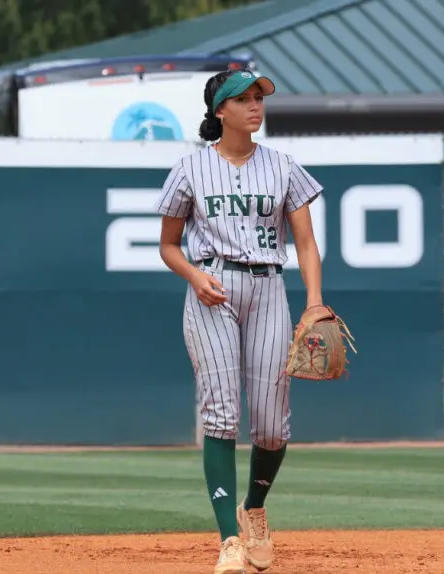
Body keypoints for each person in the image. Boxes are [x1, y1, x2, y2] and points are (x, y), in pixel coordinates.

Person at [154, 69, 325, 574]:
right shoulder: (188, 169)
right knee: (222, 413)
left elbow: (306, 242)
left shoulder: (283, 166)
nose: (256, 106)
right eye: (243, 99)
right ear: (219, 111)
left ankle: (253, 507)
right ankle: (229, 539)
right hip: (213, 290)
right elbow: (168, 245)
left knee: (271, 424)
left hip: (269, 287)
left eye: (259, 98)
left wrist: (314, 301)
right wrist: (192, 275)